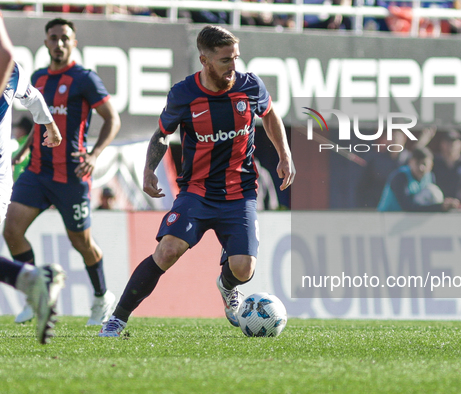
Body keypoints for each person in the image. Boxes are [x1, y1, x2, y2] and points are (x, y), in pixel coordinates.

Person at [98, 25, 295, 337]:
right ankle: (116, 319)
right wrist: (149, 170)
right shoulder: (184, 94)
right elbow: (162, 135)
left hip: (239, 194)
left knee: (244, 268)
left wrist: (284, 154)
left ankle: (227, 286)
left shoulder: (249, 86)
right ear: (205, 60)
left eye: (236, 58)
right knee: (167, 251)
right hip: (197, 193)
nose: (233, 66)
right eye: (226, 60)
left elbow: (269, 115)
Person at [3, 18, 121, 326]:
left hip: (71, 174)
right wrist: (28, 147)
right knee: (11, 230)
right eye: (53, 37)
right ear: (45, 43)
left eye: (64, 37)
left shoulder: (85, 79)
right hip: (38, 172)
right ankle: (35, 293)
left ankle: (101, 297)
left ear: (74, 42)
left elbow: (113, 120)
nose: (59, 43)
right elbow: (42, 117)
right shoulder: (38, 77)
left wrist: (95, 154)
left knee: (81, 242)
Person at [0, 12, 66, 344]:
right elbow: (32, 95)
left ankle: (31, 280)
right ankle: (31, 280)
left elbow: (7, 57)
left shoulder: (8, 67)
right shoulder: (16, 75)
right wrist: (50, 125)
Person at [377, 147, 460, 212]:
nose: (421, 168)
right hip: (387, 220)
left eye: (424, 164)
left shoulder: (429, 177)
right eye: (417, 163)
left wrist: (445, 204)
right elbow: (407, 207)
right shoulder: (400, 177)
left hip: (409, 222)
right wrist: (440, 207)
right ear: (410, 162)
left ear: (431, 165)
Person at [432, 130, 461, 208]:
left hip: (457, 206)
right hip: (438, 205)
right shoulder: (435, 162)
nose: (451, 145)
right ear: (442, 144)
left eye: (454, 142)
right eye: (447, 142)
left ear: (460, 145)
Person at [11, 116, 33, 181]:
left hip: (24, 181)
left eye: (17, 128)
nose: (16, 131)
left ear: (23, 130)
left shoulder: (26, 144)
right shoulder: (21, 143)